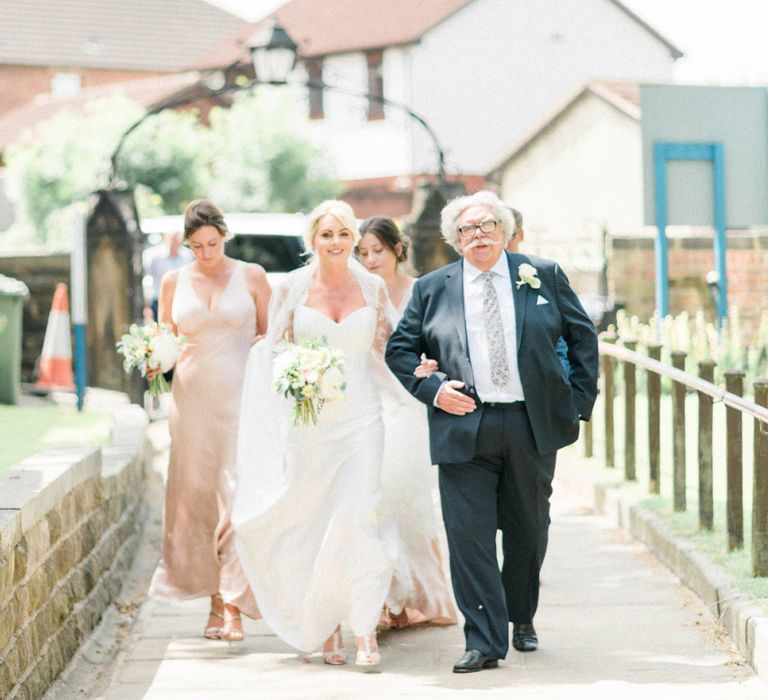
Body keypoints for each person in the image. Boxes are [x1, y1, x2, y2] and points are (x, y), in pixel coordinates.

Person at [385, 191, 598, 672]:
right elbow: (400, 352)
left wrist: (577, 403)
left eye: (485, 226)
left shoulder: (542, 274)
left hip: (529, 424)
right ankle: (483, 640)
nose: (477, 235)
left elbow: (583, 336)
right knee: (468, 537)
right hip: (463, 427)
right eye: (466, 229)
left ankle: (520, 615)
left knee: (528, 530)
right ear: (454, 240)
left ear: (504, 231)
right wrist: (435, 391)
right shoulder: (432, 289)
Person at [233, 200, 399, 670]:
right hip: (308, 419)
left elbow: (389, 346)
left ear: (353, 238)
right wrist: (297, 372)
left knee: (360, 514)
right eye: (327, 234)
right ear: (313, 239)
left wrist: (421, 372)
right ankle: (326, 624)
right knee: (315, 518)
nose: (336, 242)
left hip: (362, 417)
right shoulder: (291, 286)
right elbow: (277, 347)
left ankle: (362, 627)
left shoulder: (373, 286)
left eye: (344, 233)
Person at [148, 200, 271, 642]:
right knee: (199, 501)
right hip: (191, 404)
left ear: (225, 234)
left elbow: (272, 337)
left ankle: (235, 604)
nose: (205, 253)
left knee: (236, 498)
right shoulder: (172, 280)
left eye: (212, 244)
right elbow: (162, 340)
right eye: (196, 246)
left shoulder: (252, 276)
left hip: (242, 402)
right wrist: (152, 360)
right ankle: (214, 601)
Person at [356, 217, 458, 629]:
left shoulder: (422, 291)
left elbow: (443, 342)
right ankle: (385, 599)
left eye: (377, 250)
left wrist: (432, 365)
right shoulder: (358, 293)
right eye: (362, 252)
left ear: (398, 248)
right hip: (369, 404)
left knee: (410, 502)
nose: (370, 259)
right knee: (374, 501)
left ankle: (421, 595)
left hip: (411, 407)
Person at [505, 207, 570, 375]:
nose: (502, 243)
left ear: (520, 235)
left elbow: (565, 333)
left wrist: (563, 380)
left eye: (508, 235)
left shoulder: (544, 273)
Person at [142, 230, 193, 322]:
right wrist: (147, 304)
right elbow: (146, 280)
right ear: (166, 238)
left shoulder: (188, 256)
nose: (176, 242)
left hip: (181, 300)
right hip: (159, 300)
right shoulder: (153, 256)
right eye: (173, 239)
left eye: (178, 239)